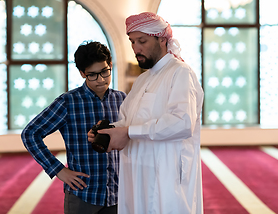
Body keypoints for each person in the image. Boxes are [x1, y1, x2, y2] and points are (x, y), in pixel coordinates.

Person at [88, 12, 204, 214]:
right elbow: (127, 121)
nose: (135, 48)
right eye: (132, 42)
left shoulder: (180, 73)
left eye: (142, 41)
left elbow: (183, 122)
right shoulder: (142, 80)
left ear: (161, 39)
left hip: (166, 176)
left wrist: (129, 132)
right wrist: (109, 132)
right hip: (137, 173)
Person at [22, 41, 126, 214]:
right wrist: (59, 170)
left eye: (104, 72)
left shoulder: (122, 99)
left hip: (118, 194)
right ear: (82, 73)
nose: (101, 79)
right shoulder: (68, 102)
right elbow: (30, 133)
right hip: (83, 194)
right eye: (92, 75)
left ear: (111, 66)